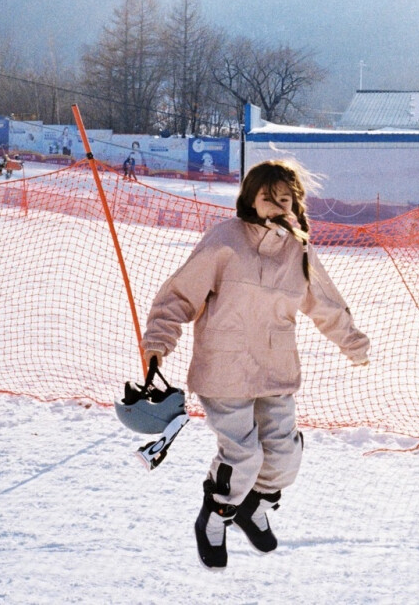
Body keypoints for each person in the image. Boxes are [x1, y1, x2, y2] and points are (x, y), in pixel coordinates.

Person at [140, 159, 370, 569]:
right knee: (242, 456)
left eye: (285, 199)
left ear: (295, 204)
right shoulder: (225, 241)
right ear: (250, 199)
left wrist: (351, 342)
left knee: (283, 456)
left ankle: (255, 506)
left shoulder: (298, 249)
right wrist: (158, 341)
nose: (276, 205)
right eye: (267, 198)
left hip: (276, 369)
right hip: (223, 370)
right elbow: (179, 294)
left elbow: (326, 303)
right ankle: (216, 514)